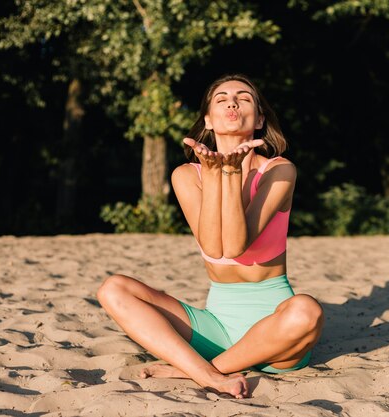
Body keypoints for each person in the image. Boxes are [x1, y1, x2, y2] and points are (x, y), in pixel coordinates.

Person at [97, 73, 324, 399]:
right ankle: (209, 372)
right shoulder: (187, 176)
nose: (232, 102)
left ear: (260, 119)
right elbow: (215, 249)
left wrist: (231, 172)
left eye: (244, 98)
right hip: (215, 326)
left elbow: (236, 246)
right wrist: (218, 175)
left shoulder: (278, 171)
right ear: (208, 118)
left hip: (276, 331)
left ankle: (194, 370)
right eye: (222, 98)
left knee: (307, 310)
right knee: (113, 289)